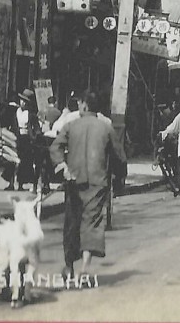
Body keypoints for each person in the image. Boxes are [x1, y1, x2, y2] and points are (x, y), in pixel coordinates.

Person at [49, 90, 124, 278]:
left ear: (84, 105)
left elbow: (55, 147)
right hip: (98, 182)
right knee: (91, 222)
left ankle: (69, 265)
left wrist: (62, 166)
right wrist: (119, 178)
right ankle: (84, 267)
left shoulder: (70, 126)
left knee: (72, 221)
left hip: (74, 180)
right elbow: (119, 156)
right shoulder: (106, 128)